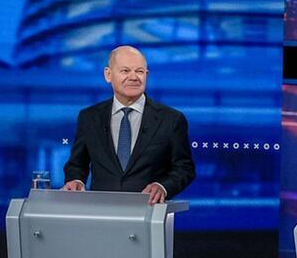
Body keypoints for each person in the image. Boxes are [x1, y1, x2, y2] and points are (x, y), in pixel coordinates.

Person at [62, 45, 196, 204]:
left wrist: (163, 186)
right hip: (100, 210)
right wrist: (76, 180)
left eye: (139, 71)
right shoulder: (89, 117)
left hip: (149, 210)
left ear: (146, 75)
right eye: (125, 71)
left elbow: (184, 168)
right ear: (108, 74)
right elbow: (77, 164)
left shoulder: (171, 119)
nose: (133, 77)